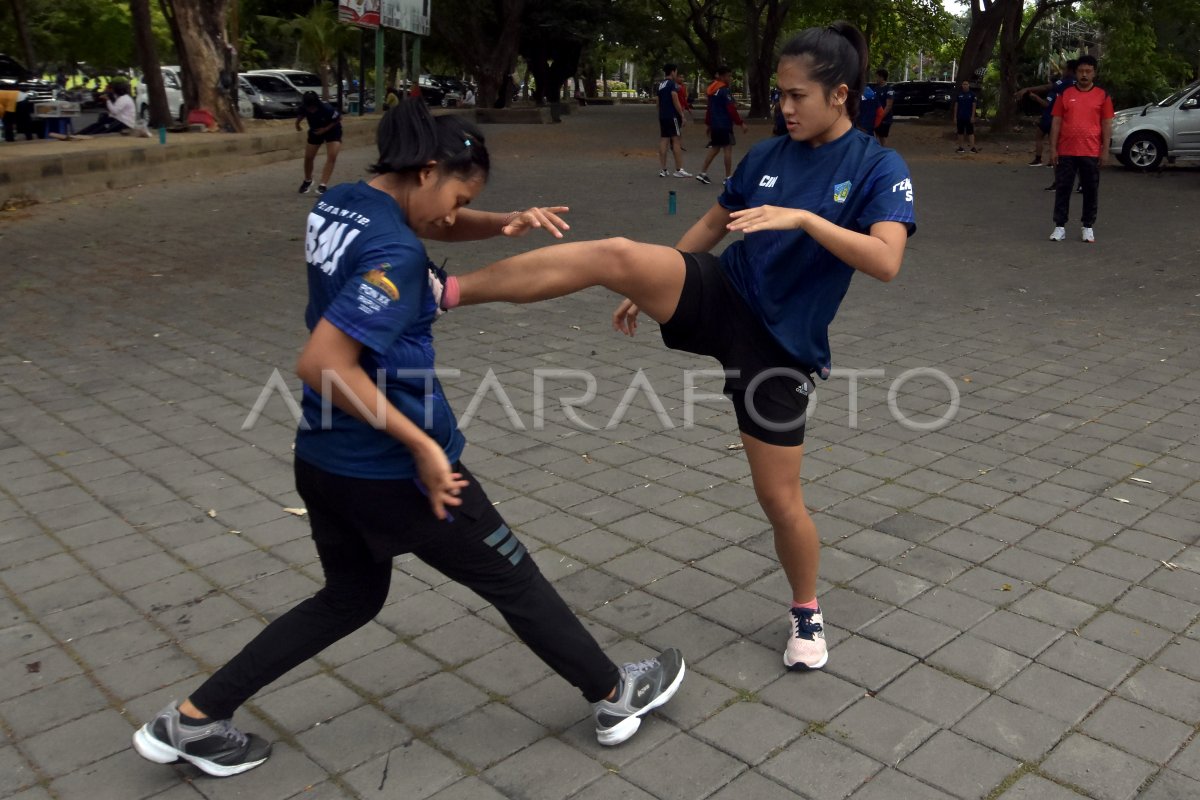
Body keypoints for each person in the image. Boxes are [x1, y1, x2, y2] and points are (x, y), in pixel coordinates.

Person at [131, 99, 685, 778]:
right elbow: (323, 362)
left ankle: (194, 720)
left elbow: (424, 225)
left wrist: (499, 223)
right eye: (457, 195)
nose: (454, 215)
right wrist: (421, 447)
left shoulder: (342, 202)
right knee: (512, 576)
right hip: (391, 467)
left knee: (351, 597)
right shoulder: (394, 250)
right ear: (426, 171)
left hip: (323, 460)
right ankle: (612, 692)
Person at [443, 21, 916, 674]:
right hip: (723, 292)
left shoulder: (877, 165)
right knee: (615, 255)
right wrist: (652, 279)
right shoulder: (766, 156)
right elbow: (712, 223)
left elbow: (887, 261)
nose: (783, 108)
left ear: (839, 95)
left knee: (780, 500)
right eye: (779, 94)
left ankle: (805, 608)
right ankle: (445, 291)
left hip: (781, 346)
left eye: (796, 96)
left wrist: (807, 219)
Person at [1048, 54, 1112, 244]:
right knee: (1063, 188)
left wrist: (1105, 149)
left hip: (1091, 151)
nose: (1084, 75)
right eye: (1081, 71)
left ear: (1094, 73)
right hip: (1066, 150)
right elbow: (1056, 122)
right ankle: (1060, 227)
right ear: (1075, 73)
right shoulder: (1065, 94)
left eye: (1088, 71)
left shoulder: (1103, 96)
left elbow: (1107, 124)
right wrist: (1053, 148)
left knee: (1091, 190)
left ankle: (1088, 227)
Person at [1015, 59, 1078, 168]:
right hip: (1063, 116)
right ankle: (1051, 160)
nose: (1063, 71)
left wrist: (1034, 96)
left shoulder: (1060, 86)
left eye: (1064, 69)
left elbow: (1046, 102)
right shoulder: (1078, 84)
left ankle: (1044, 159)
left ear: (1070, 70)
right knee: (1053, 138)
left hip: (1051, 116)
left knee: (1045, 137)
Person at [695, 65, 747, 186]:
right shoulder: (724, 90)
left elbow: (709, 109)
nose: (730, 78)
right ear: (723, 76)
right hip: (724, 124)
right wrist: (740, 123)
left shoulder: (711, 90)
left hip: (715, 124)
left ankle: (702, 172)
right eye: (729, 76)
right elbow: (730, 108)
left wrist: (708, 124)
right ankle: (728, 176)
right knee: (727, 149)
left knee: (715, 148)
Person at [295, 90, 342, 195]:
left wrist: (325, 129)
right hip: (315, 130)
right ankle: (308, 180)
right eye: (308, 108)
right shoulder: (303, 107)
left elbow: (338, 119)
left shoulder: (327, 108)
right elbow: (301, 115)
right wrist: (297, 124)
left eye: (312, 107)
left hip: (332, 130)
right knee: (308, 157)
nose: (311, 110)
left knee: (332, 156)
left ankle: (323, 185)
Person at [657, 64, 691, 177]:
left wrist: (661, 112)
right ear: (672, 72)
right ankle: (679, 169)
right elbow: (675, 99)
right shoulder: (672, 84)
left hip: (663, 116)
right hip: (672, 116)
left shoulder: (661, 85)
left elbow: (658, 102)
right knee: (676, 140)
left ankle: (663, 169)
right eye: (676, 72)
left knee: (664, 140)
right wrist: (682, 114)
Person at [953, 78, 978, 153]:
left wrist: (973, 116)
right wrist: (955, 117)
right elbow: (956, 106)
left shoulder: (972, 95)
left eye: (966, 84)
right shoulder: (959, 94)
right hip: (960, 116)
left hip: (968, 117)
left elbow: (974, 106)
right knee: (960, 132)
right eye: (964, 84)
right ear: (962, 85)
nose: (965, 85)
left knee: (970, 132)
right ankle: (960, 147)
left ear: (968, 85)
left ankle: (973, 148)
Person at [873, 69, 895, 146]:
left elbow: (888, 106)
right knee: (876, 136)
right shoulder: (875, 89)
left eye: (877, 77)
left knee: (882, 137)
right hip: (876, 117)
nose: (876, 79)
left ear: (882, 78)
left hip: (885, 119)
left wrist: (881, 116)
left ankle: (884, 153)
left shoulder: (889, 89)